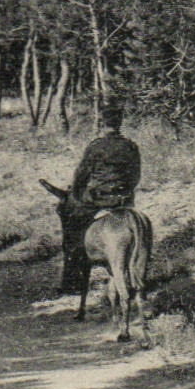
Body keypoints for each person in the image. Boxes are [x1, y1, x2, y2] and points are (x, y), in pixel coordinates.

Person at [57, 102, 141, 295]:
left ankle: (72, 281)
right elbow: (136, 177)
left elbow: (81, 175)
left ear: (102, 123)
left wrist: (77, 194)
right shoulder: (130, 147)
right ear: (120, 122)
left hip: (98, 200)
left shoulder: (96, 146)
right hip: (124, 199)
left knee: (72, 229)